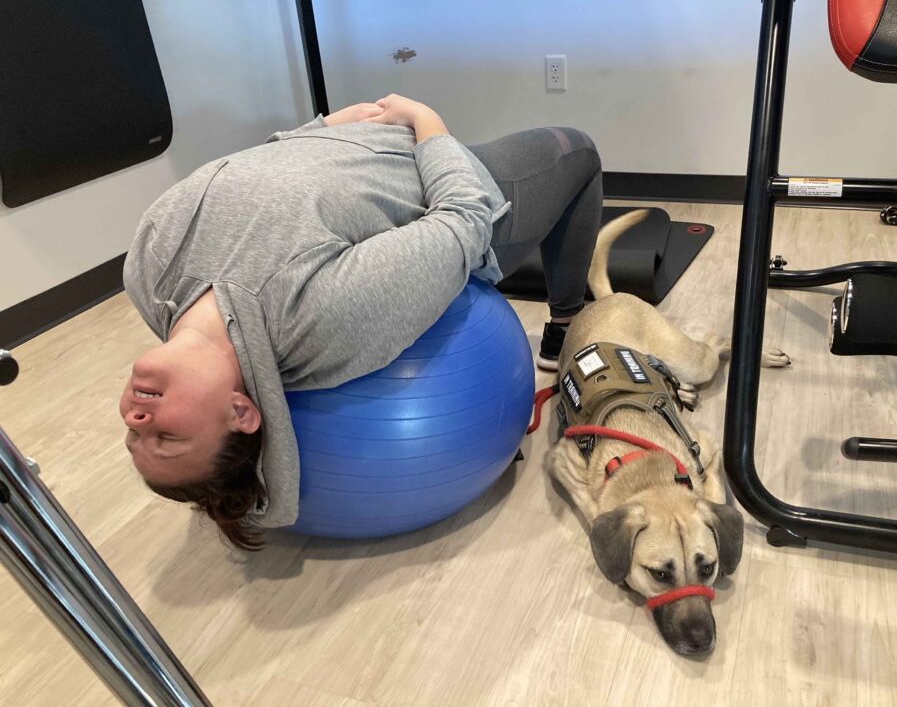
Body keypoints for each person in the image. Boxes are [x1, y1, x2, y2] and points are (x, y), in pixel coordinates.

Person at [120, 94, 602, 548]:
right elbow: (464, 217)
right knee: (578, 149)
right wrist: (427, 121)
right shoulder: (317, 320)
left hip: (354, 140)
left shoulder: (147, 270)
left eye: (135, 435)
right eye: (166, 437)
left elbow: (244, 173)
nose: (137, 418)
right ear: (240, 412)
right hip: (441, 175)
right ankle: (565, 321)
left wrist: (322, 127)